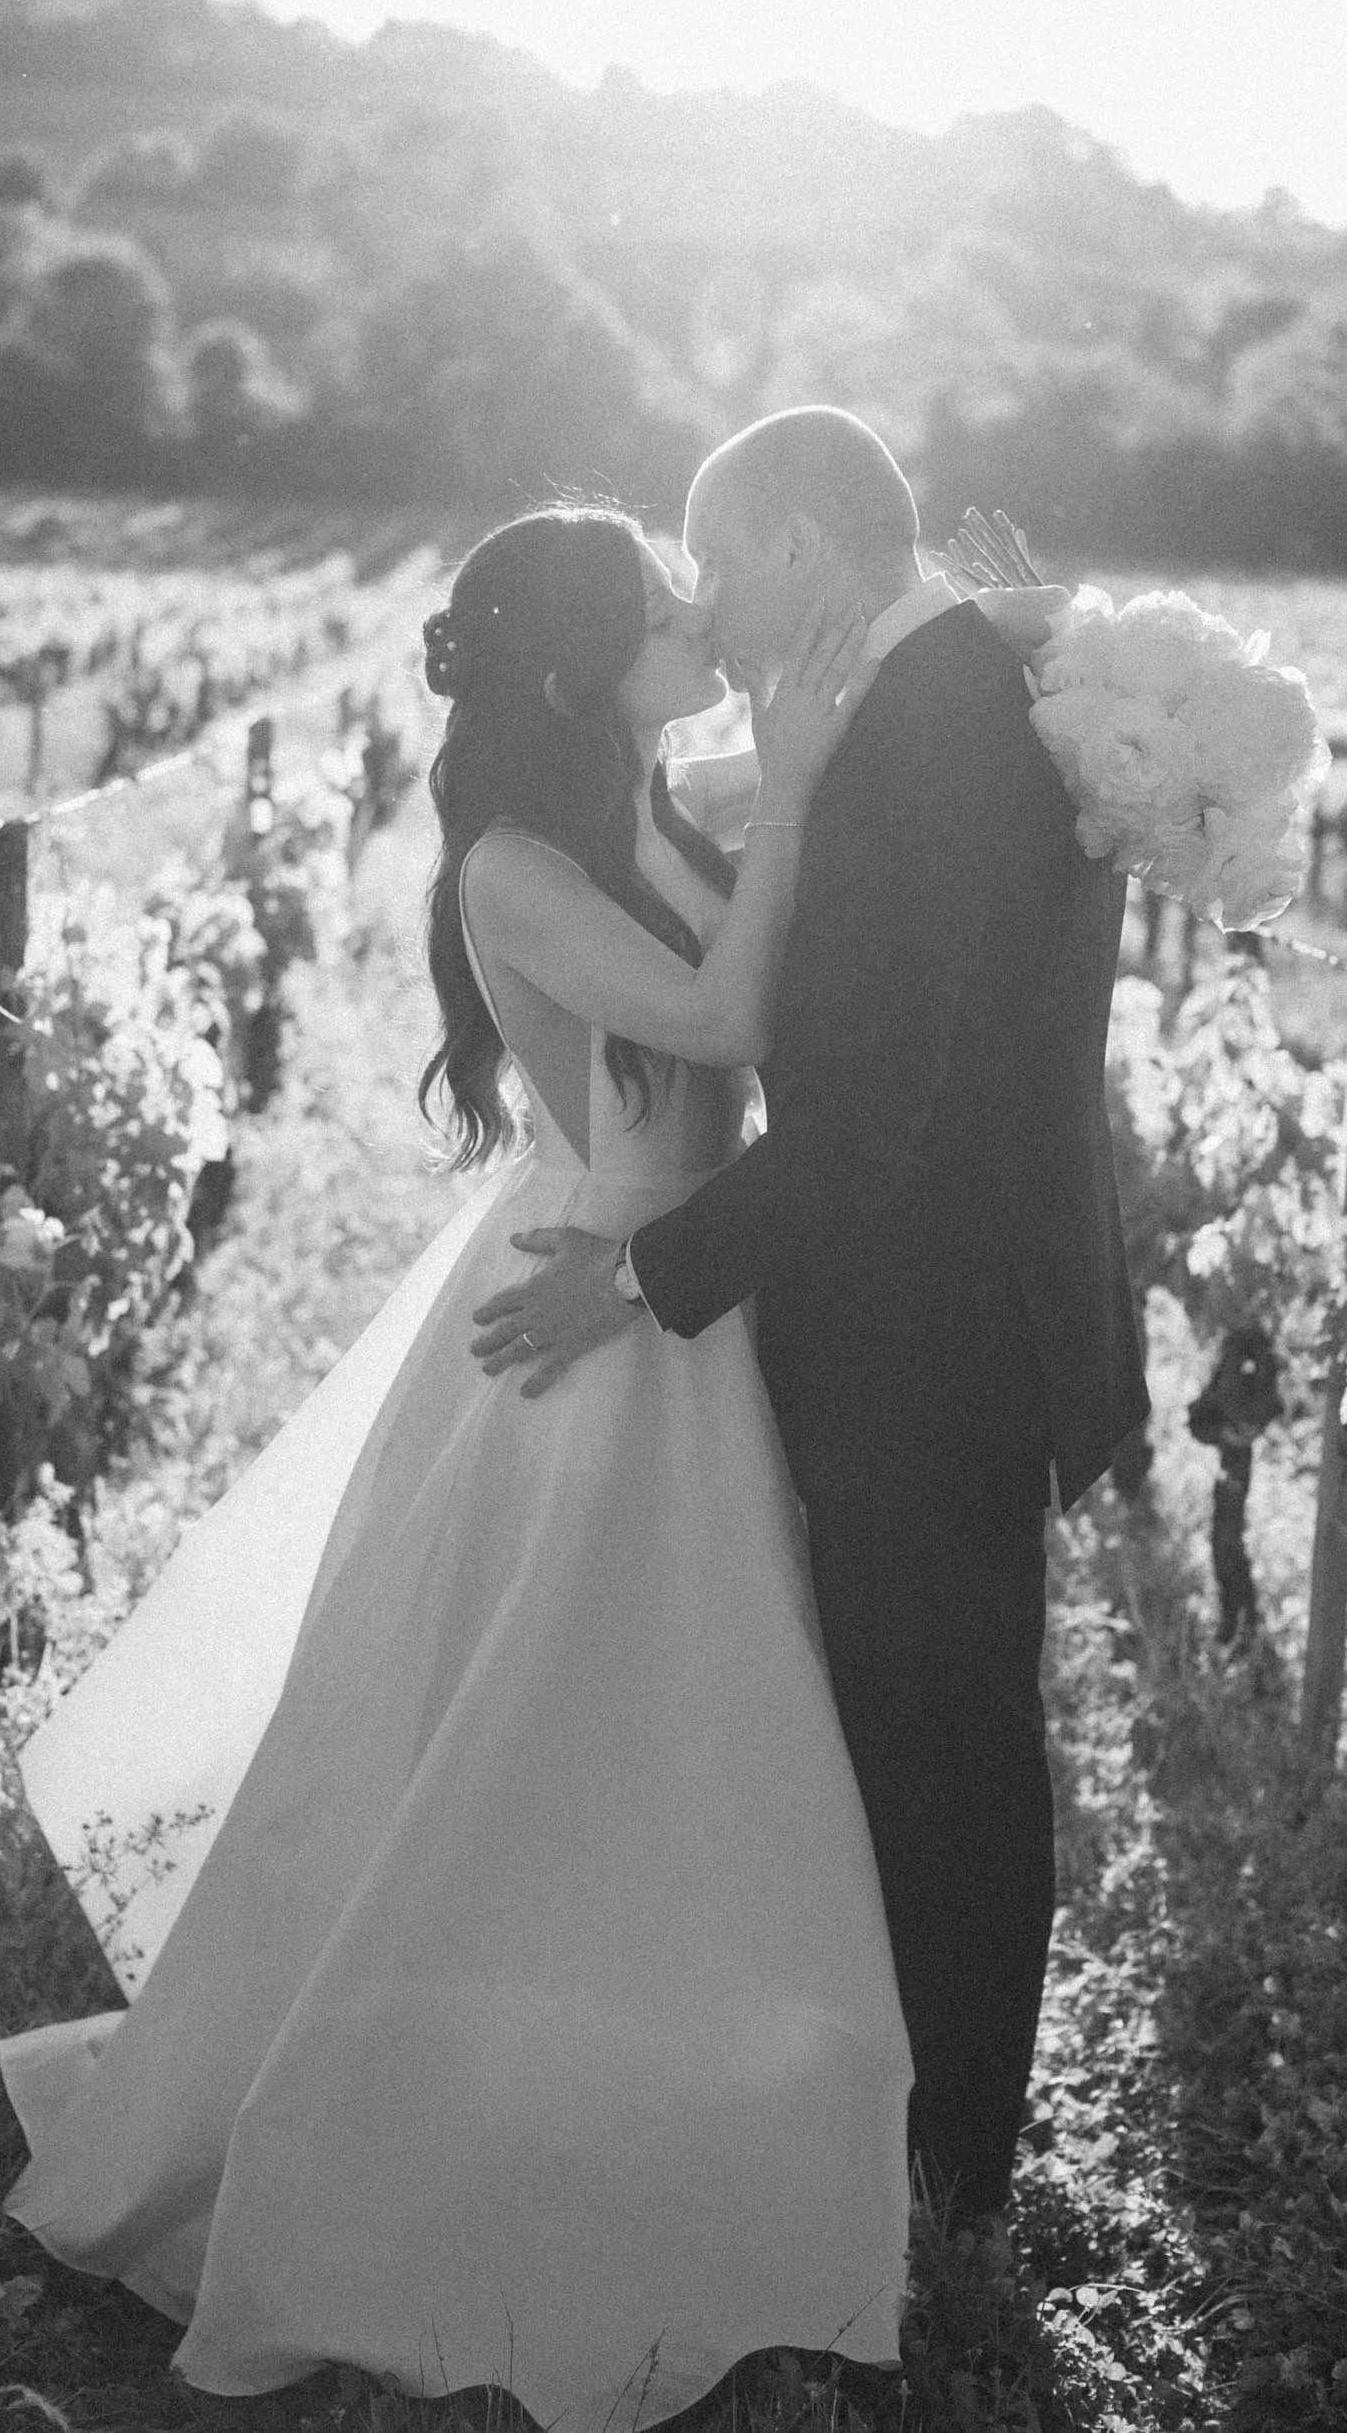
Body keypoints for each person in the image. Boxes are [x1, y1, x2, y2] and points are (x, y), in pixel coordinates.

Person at [0, 503, 920, 2427]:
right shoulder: (515, 863)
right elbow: (725, 1017)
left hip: (679, 1288)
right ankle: (416, 2125)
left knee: (657, 1729)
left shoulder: (652, 801)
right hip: (585, 1307)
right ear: (580, 669)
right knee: (524, 1720)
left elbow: (855, 756)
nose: (700, 618)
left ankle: (659, 2085)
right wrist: (796, 783)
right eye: (662, 609)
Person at [469, 409, 1152, 2231]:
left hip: (929, 1335)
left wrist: (638, 1275)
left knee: (939, 1751)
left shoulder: (922, 736)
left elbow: (869, 1121)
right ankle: (898, 2122)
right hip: (942, 1308)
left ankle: (946, 2175)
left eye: (712, 565)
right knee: (900, 1733)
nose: (704, 606)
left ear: (792, 547)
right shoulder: (941, 687)